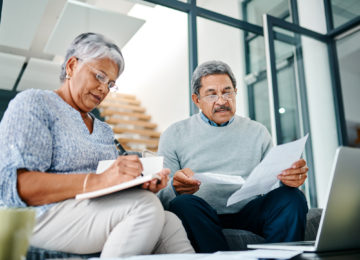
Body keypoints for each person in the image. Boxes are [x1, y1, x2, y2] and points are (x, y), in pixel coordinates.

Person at [0, 32, 194, 257]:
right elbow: (17, 186)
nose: (104, 89)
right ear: (72, 66)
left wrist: (138, 183)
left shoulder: (104, 130)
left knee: (169, 221)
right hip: (36, 215)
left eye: (111, 84)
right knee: (144, 207)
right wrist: (98, 181)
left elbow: (108, 187)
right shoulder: (35, 103)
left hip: (87, 213)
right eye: (100, 77)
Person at [157, 60, 309, 253]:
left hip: (248, 211)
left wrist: (289, 179)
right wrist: (175, 188)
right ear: (196, 100)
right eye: (212, 94)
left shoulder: (257, 132)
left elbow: (273, 183)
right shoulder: (174, 134)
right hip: (201, 213)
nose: (222, 101)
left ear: (236, 92)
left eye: (227, 92)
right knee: (182, 204)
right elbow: (161, 195)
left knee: (292, 197)